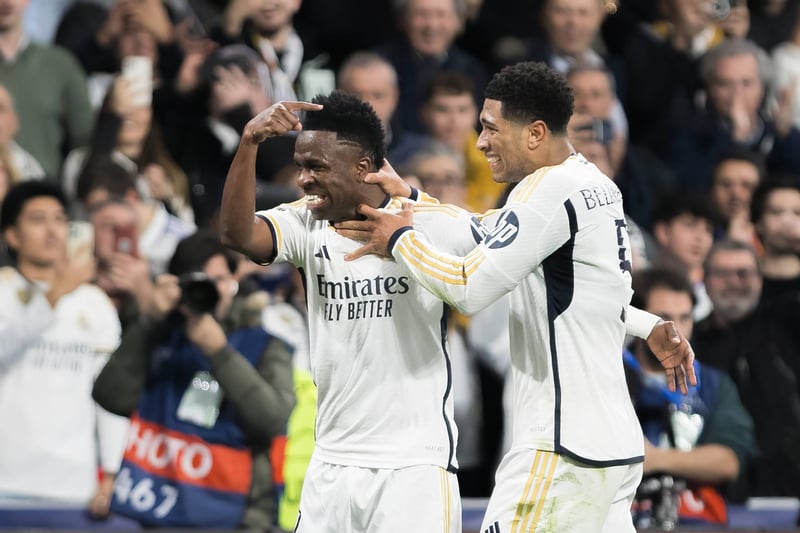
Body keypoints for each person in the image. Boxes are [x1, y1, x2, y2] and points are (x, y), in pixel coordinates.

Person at [333, 61, 695, 532]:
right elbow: (521, 252)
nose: (480, 142)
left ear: (535, 133)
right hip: (612, 450)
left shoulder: (546, 192)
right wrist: (414, 200)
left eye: (490, 128)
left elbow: (469, 288)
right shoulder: (596, 185)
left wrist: (401, 240)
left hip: (560, 450)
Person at [219, 91, 486, 532]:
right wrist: (249, 142)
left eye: (316, 167)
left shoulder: (426, 222)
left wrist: (412, 209)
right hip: (332, 462)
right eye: (300, 165)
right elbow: (236, 234)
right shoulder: (304, 222)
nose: (303, 179)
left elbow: (503, 247)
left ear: (362, 167)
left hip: (413, 465)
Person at [92, 229, 296, 529]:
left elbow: (272, 421)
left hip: (237, 520)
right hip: (156, 511)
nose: (212, 291)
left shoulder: (264, 344)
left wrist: (220, 354)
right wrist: (149, 322)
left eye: (220, 280)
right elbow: (111, 397)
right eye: (200, 281)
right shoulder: (160, 334)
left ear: (234, 280)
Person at [0, 181, 130, 528]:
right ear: (12, 235)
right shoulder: (3, 290)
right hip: (6, 482)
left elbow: (110, 395)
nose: (53, 230)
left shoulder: (94, 303)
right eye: (38, 220)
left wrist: (111, 471)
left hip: (73, 487)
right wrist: (57, 291)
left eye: (59, 219)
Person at [625, 266, 756, 528]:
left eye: (685, 317)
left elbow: (728, 461)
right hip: (621, 521)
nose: (676, 331)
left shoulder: (712, 383)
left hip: (695, 522)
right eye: (663, 318)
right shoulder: (608, 374)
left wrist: (654, 459)